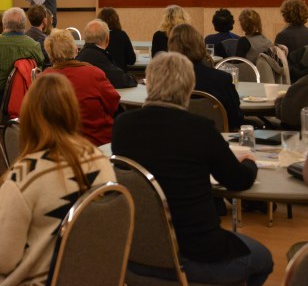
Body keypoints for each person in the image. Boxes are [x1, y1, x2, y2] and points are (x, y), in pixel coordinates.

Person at [112, 52, 273, 286]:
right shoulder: (199, 129)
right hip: (197, 256)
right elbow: (238, 181)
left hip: (136, 255)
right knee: (263, 259)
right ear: (189, 87)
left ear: (149, 84)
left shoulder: (122, 127)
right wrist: (249, 161)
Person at [0, 74, 115, 285]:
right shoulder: (101, 162)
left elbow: (2, 262)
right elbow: (65, 226)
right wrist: (7, 233)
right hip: (88, 274)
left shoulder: (21, 178)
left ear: (27, 117)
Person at [42, 29, 119, 146]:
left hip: (58, 147)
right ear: (76, 50)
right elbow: (114, 104)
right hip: (97, 145)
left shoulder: (42, 80)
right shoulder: (94, 73)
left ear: (51, 56)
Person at [168, 23, 243, 129]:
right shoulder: (222, 79)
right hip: (217, 139)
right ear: (200, 45)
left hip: (176, 140)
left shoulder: (165, 82)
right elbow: (236, 118)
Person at [76, 19, 137, 89]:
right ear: (107, 40)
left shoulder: (80, 56)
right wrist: (133, 78)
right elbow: (120, 79)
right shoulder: (100, 58)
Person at [97, 7, 136, 71]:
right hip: (119, 76)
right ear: (116, 20)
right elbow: (132, 60)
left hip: (101, 76)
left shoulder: (96, 36)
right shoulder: (122, 35)